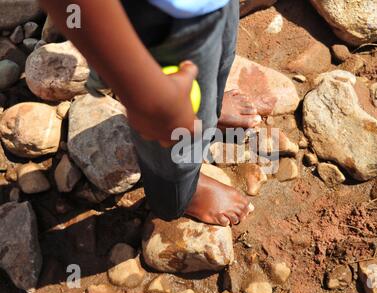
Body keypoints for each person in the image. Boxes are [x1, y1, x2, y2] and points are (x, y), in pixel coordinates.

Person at [39, 0, 261, 226]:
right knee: (172, 139)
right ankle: (179, 196)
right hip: (162, 19)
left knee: (221, 58)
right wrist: (140, 90)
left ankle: (211, 107)